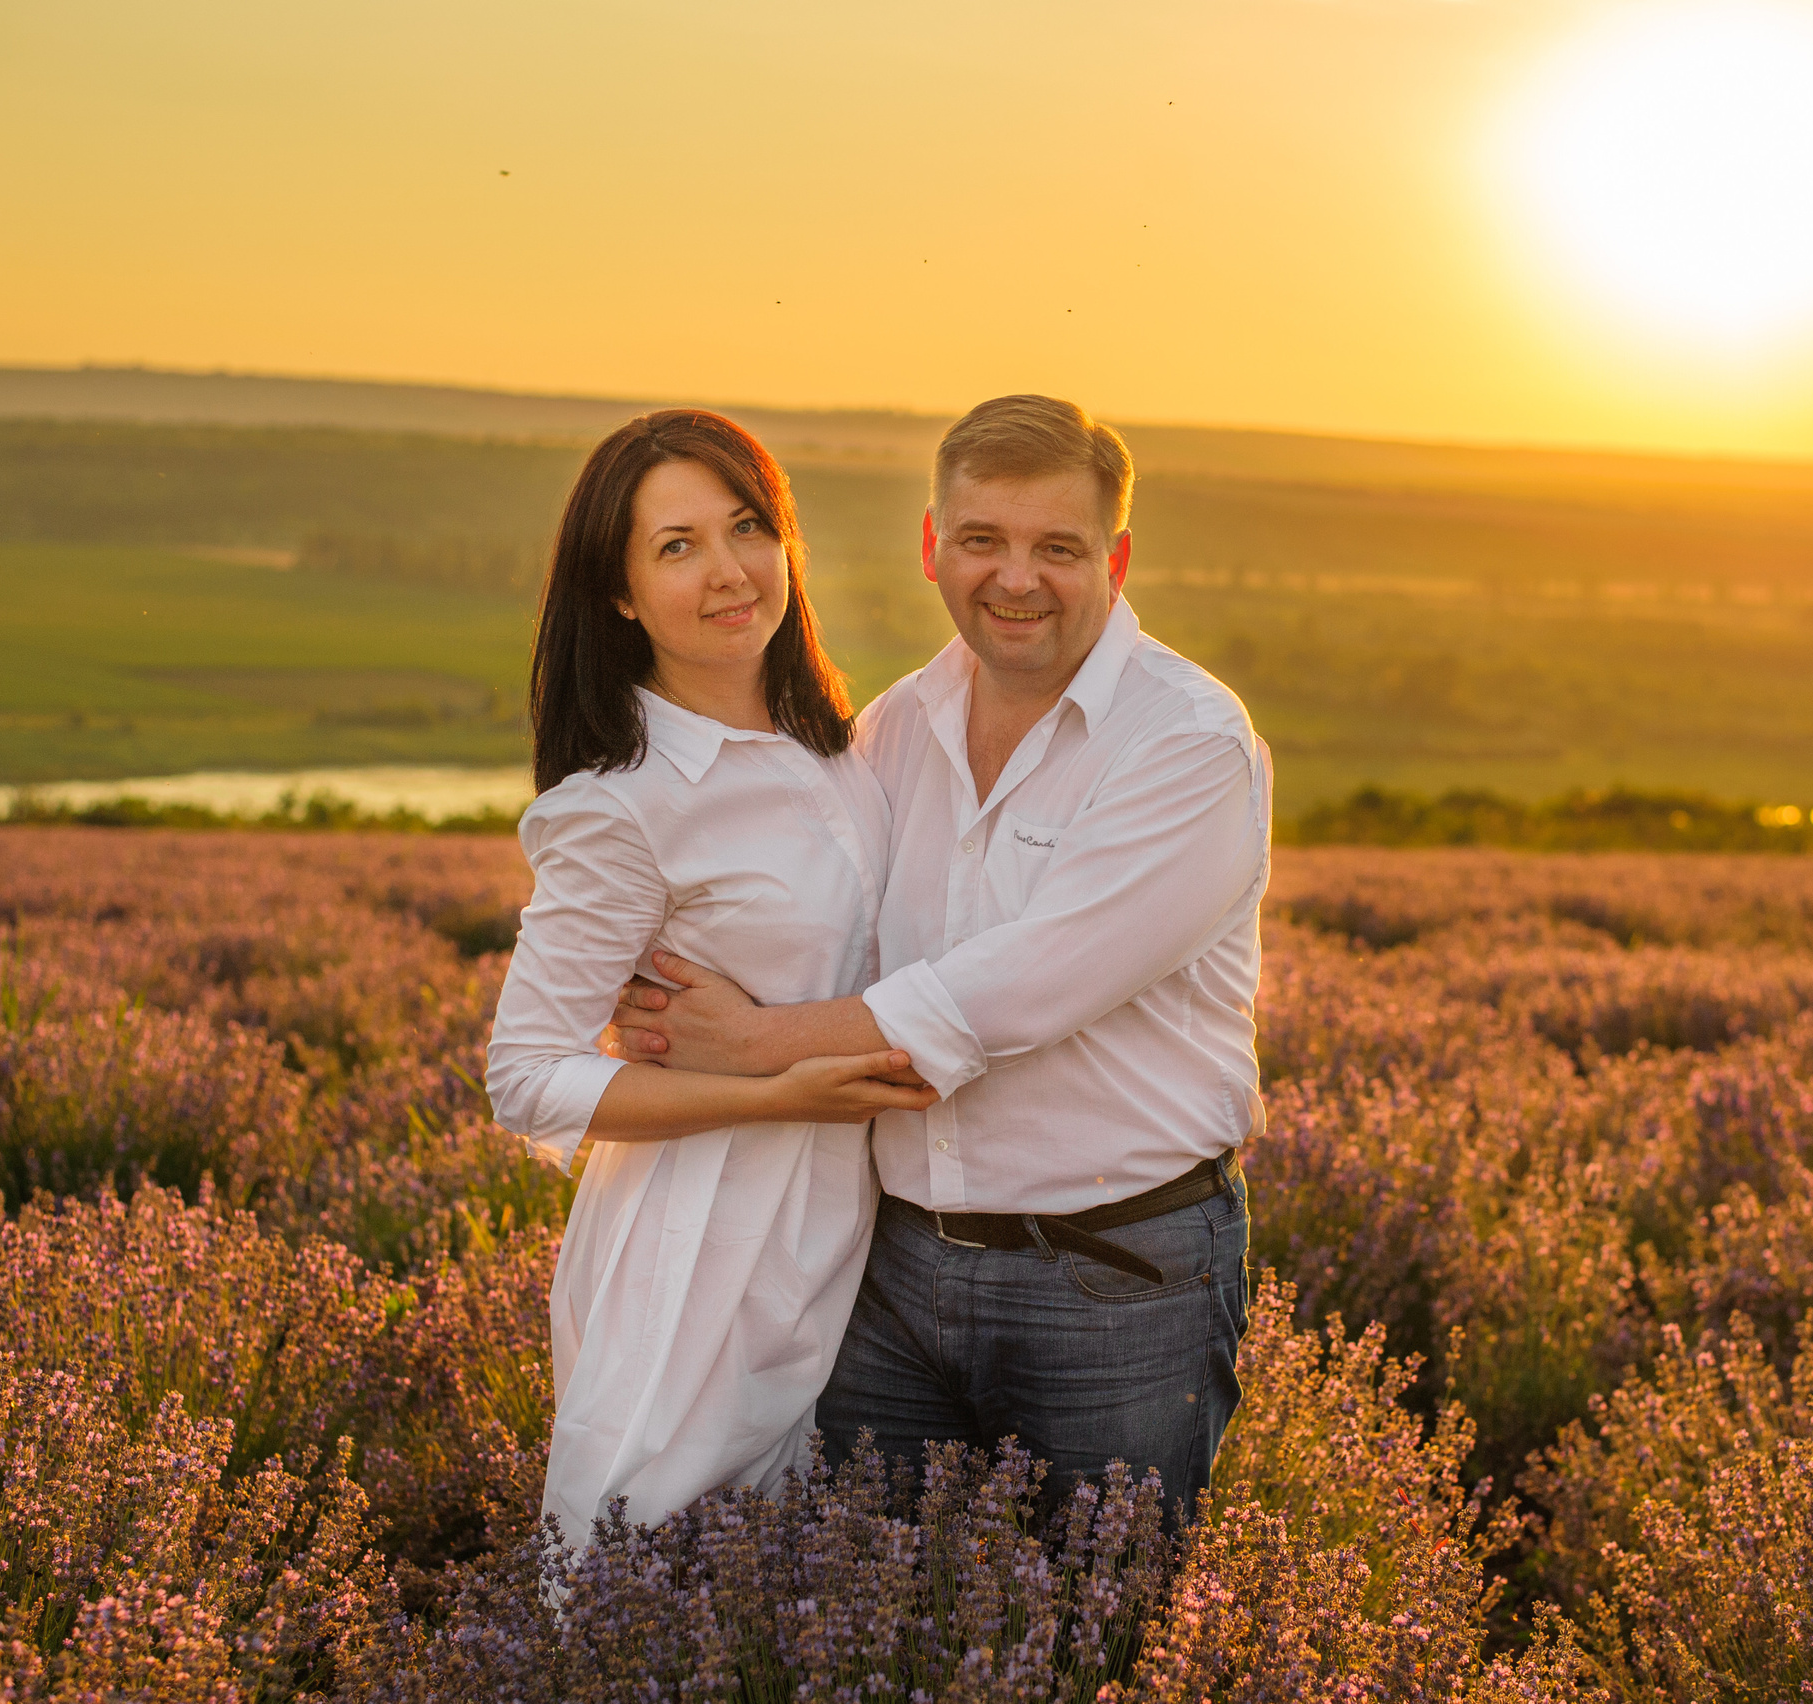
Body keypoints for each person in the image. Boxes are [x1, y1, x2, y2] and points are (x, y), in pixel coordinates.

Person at [609, 394, 1272, 1527]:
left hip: (1113, 1277)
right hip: (889, 1272)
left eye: (1057, 548)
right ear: (931, 545)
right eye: (981, 540)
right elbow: (823, 931)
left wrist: (752, 1041)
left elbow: (1022, 988)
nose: (1016, 579)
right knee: (867, 1602)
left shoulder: (1187, 741)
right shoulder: (895, 728)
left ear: (1114, 560)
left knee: (1098, 1613)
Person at [483, 408, 936, 1546]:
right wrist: (773, 1093)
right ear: (620, 593)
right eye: (677, 546)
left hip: (856, 1241)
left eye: (747, 528)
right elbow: (525, 1077)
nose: (729, 571)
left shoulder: (837, 750)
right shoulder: (620, 804)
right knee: (631, 1569)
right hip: (697, 1246)